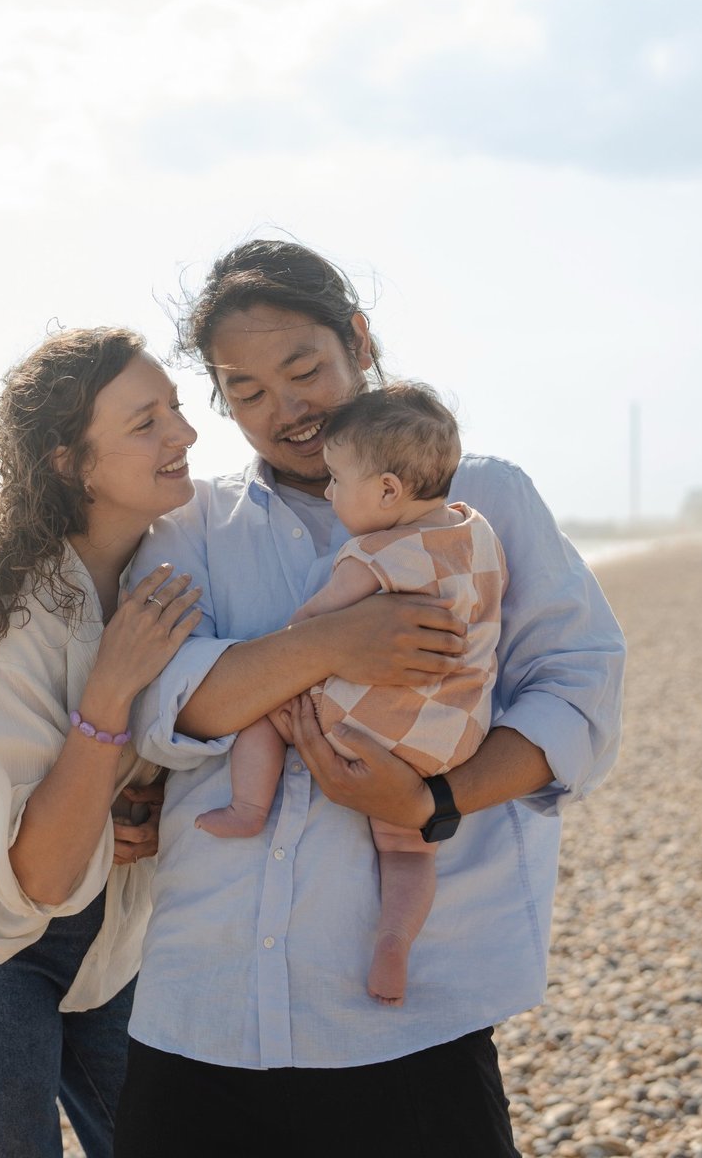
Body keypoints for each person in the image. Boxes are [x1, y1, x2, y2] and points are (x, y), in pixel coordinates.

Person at [111, 241, 626, 1157]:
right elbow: (160, 706)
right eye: (246, 390)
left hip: (408, 1015)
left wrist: (432, 801)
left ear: (359, 341)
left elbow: (578, 689)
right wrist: (331, 643)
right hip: (202, 1007)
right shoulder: (190, 527)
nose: (285, 410)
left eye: (304, 370)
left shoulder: (487, 500)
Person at [0, 327, 204, 1158]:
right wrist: (108, 691)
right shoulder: (13, 609)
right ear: (70, 461)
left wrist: (145, 800)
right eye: (145, 423)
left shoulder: (175, 565)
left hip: (113, 943)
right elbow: (40, 874)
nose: (184, 434)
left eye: (177, 409)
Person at [192, 380, 506, 1007]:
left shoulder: (374, 553)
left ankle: (248, 808)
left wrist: (287, 645)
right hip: (453, 738)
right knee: (407, 850)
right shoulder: (478, 535)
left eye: (338, 480)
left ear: (387, 491)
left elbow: (312, 629)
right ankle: (395, 942)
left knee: (264, 706)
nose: (330, 492)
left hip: (377, 721)